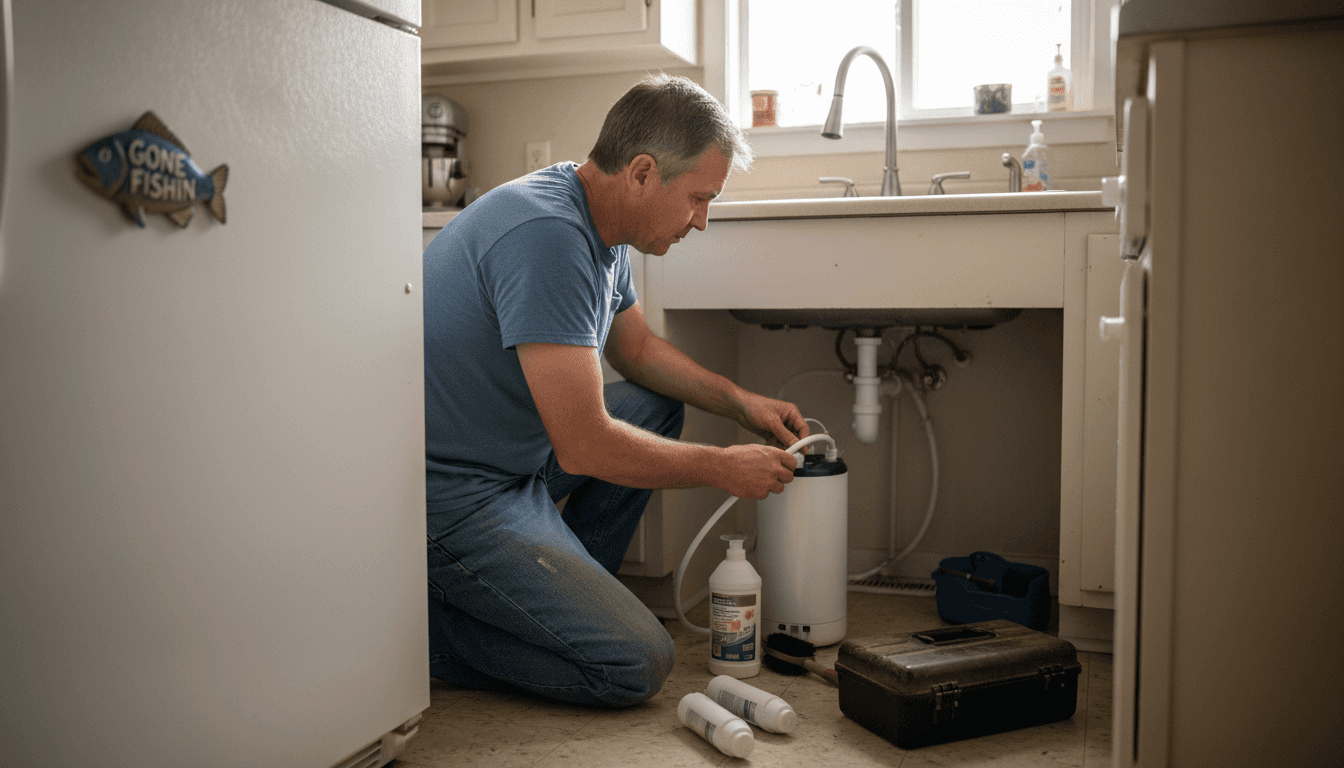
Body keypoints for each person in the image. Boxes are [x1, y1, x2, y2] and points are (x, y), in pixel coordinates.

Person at [421, 73, 808, 708]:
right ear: (643, 173)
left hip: (514, 461)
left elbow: (636, 352)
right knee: (634, 663)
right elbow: (583, 448)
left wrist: (742, 404)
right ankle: (430, 636)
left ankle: (569, 596)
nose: (702, 222)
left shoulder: (602, 226)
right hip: (457, 497)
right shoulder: (546, 236)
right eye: (698, 198)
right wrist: (725, 468)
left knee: (652, 407)